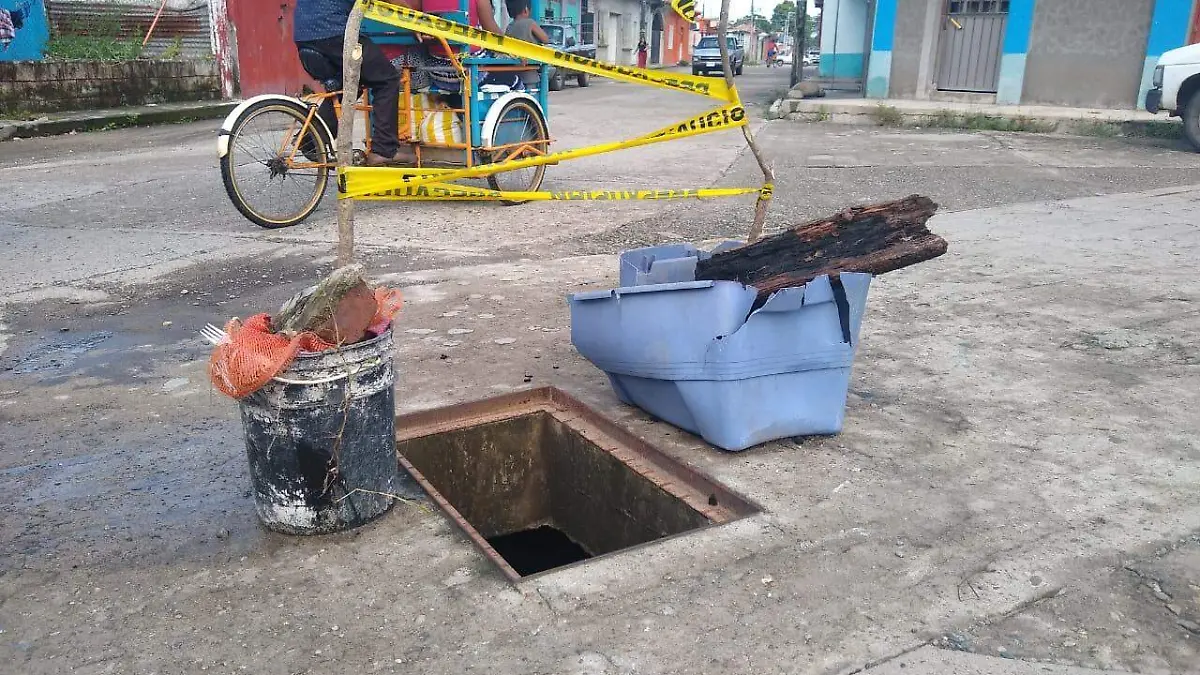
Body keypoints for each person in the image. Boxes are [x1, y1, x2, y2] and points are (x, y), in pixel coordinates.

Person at [293, 0, 415, 165]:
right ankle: (384, 150)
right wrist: (413, 18)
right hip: (332, 31)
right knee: (387, 78)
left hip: (304, 36)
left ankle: (312, 140)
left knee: (348, 85)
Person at [503, 0, 549, 90]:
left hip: (514, 74)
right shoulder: (530, 23)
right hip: (530, 74)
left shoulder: (509, 27)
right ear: (526, 9)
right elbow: (545, 39)